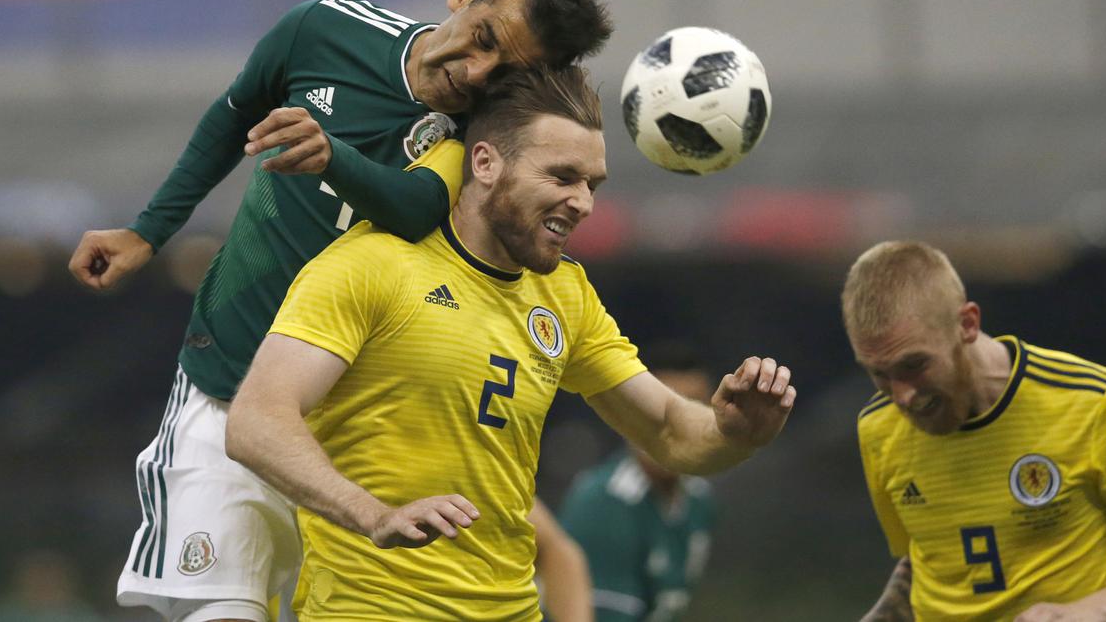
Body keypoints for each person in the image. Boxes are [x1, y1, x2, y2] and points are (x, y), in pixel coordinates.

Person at [69, 0, 613, 622]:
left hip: (355, 443)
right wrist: (148, 231)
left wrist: (332, 156)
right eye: (484, 37)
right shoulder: (324, 28)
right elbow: (234, 113)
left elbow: (414, 206)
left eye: (505, 72)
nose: (476, 72)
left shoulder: (479, 138)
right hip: (229, 386)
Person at [224, 65, 796, 621]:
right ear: (485, 162)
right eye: (562, 177)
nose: (583, 203)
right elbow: (255, 421)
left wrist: (736, 433)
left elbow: (669, 429)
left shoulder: (564, 293)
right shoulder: (372, 264)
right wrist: (372, 515)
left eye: (591, 185)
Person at [843, 240, 1106, 622]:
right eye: (879, 374)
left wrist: (1088, 611)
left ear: (967, 324)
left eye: (914, 365)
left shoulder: (1096, 404)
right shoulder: (878, 428)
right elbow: (927, 557)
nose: (902, 396)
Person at [558, 342, 717, 622]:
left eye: (694, 409)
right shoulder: (603, 504)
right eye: (665, 409)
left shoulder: (699, 500)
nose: (677, 426)